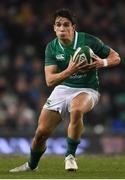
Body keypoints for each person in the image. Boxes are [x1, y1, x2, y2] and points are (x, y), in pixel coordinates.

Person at [10, 8, 120, 172]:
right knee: (41, 133)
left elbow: (115, 57)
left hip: (87, 88)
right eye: (58, 25)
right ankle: (31, 166)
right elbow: (49, 80)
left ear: (73, 27)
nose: (62, 28)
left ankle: (70, 156)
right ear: (54, 28)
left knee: (75, 110)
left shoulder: (88, 41)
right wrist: (70, 70)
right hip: (63, 88)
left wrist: (101, 63)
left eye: (66, 25)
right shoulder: (52, 47)